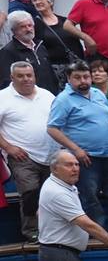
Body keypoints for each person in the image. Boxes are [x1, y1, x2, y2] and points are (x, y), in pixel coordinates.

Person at [46, 60, 108, 237]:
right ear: (69, 78)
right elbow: (52, 128)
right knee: (90, 197)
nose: (83, 80)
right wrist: (76, 150)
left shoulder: (98, 94)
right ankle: (97, 235)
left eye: (86, 76)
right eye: (77, 77)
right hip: (85, 157)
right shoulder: (63, 100)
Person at [0, 60, 58, 241]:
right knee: (30, 192)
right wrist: (8, 147)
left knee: (53, 195)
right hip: (22, 156)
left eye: (29, 75)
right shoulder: (3, 97)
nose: (26, 79)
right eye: (20, 76)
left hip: (51, 155)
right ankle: (32, 231)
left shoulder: (47, 95)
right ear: (12, 78)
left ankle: (54, 230)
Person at [0, 11, 58, 93]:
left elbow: (51, 74)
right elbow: (6, 82)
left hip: (48, 96)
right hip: (27, 98)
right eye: (23, 27)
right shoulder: (8, 51)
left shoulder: (40, 46)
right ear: (14, 30)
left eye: (30, 25)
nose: (28, 29)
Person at [30, 0, 83, 74]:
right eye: (34, 0)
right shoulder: (34, 24)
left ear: (50, 1)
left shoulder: (65, 21)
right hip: (55, 70)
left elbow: (77, 43)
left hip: (74, 67)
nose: (37, 2)